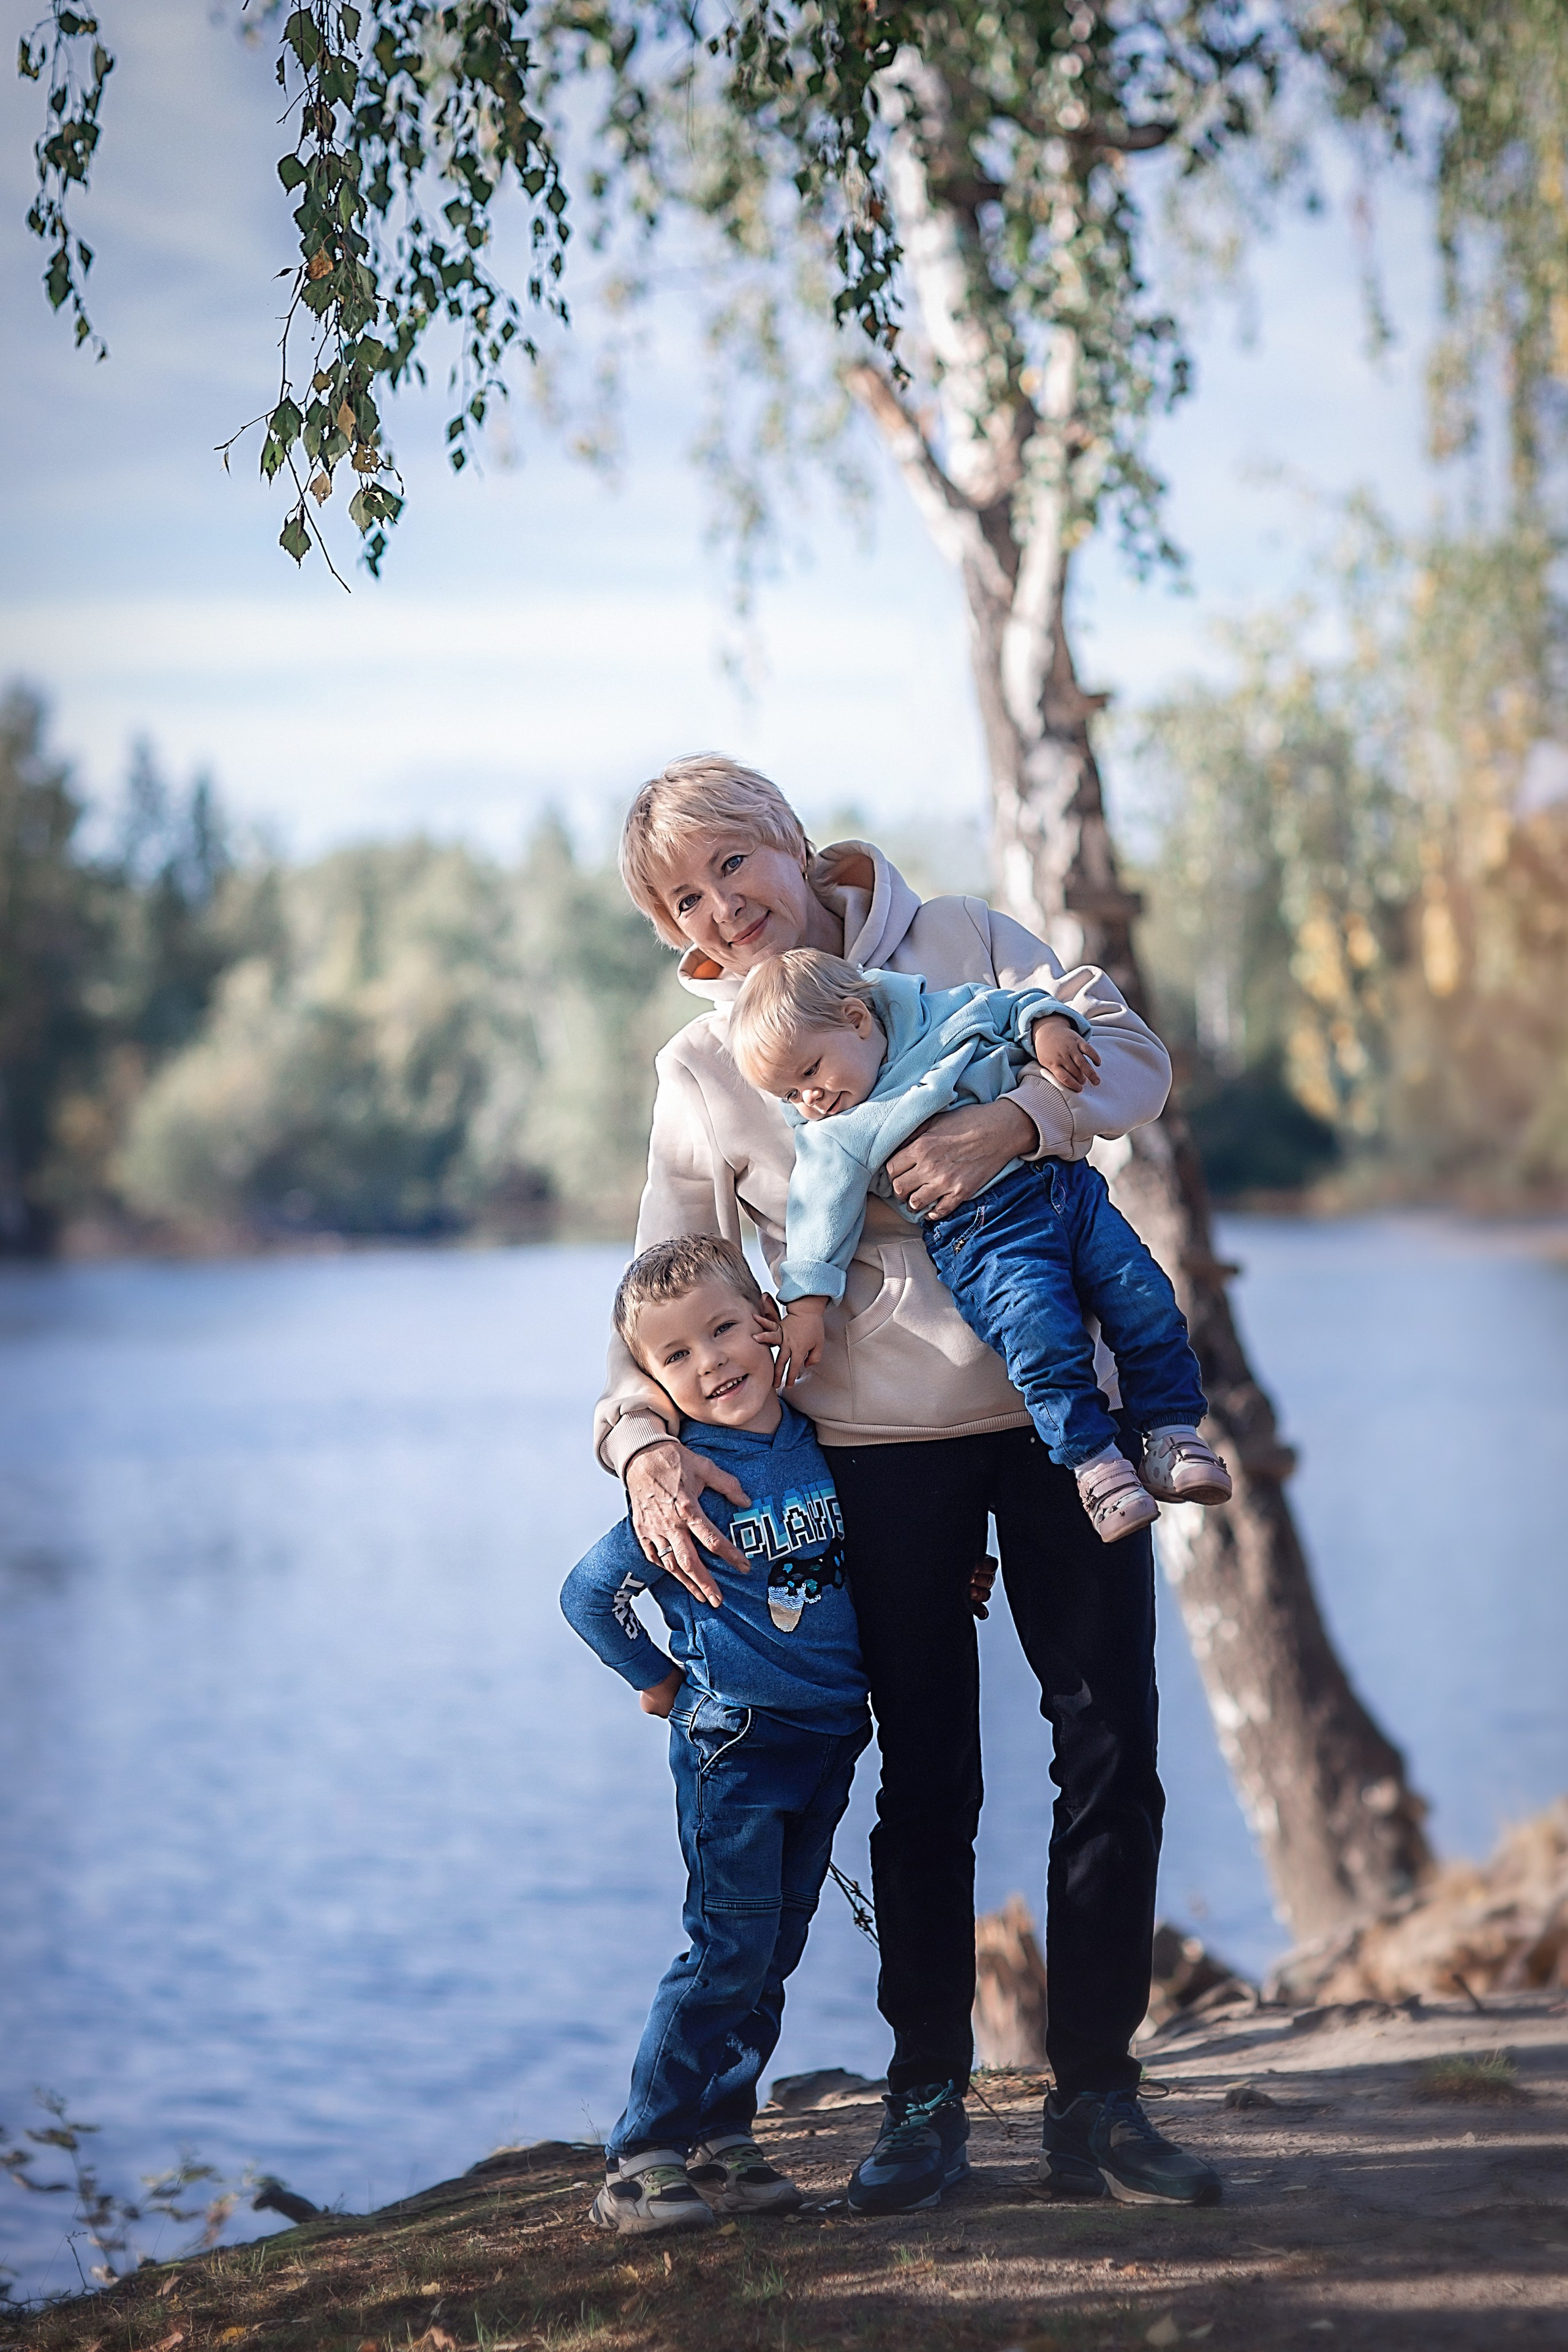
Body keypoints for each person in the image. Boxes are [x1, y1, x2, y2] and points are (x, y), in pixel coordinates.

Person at [595, 753, 1223, 2213]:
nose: (717, 906)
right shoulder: (699, 1074)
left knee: (1109, 1745)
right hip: (871, 1457)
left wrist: (1022, 1122)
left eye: (729, 866)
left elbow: (1131, 1066)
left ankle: (1096, 2103)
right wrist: (640, 1445)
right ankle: (925, 2104)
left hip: (1062, 1421)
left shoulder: (968, 945)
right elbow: (651, 1293)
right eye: (680, 897)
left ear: (791, 845)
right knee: (926, 1775)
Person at [561, 1234, 872, 2236]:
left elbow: (851, 1560)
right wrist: (655, 1679)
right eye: (678, 1357)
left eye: (725, 1330)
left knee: (774, 1949)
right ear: (650, 1383)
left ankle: (725, 2132)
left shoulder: (822, 1441)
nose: (712, 1363)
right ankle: (640, 2155)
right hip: (734, 1741)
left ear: (771, 1323)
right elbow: (588, 1595)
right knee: (723, 1948)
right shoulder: (685, 1481)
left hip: (829, 1734)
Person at [726, 948, 1232, 1545]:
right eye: (789, 1094)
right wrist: (806, 1306)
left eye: (810, 1072)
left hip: (1067, 1186)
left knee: (1142, 1294)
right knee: (1040, 1333)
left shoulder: (940, 1013)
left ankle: (1172, 1432)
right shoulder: (836, 1133)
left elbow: (1011, 1008)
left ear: (856, 1020)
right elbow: (817, 1214)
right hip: (983, 1233)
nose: (808, 1100)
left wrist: (1048, 1029)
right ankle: (1096, 1465)